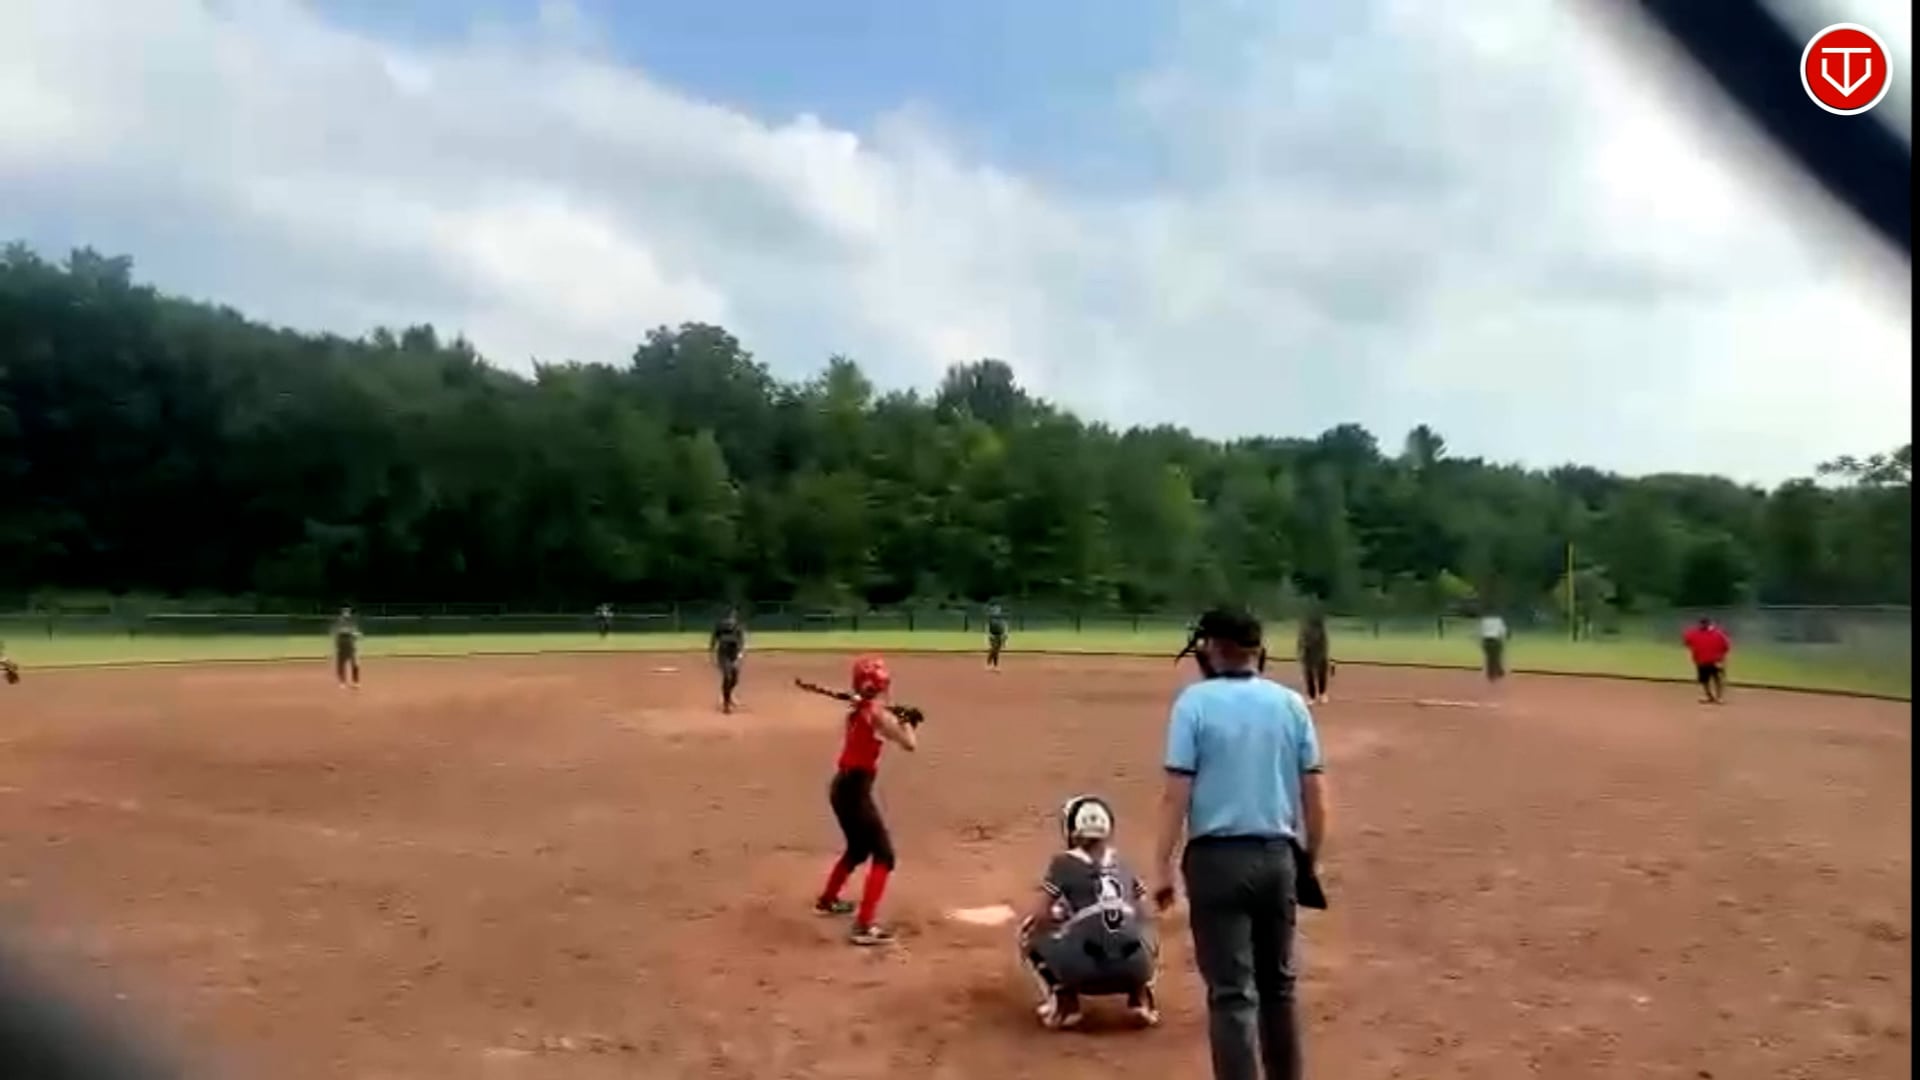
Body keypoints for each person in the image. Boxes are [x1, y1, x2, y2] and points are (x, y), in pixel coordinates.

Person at [1152, 606, 1327, 1080]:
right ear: (1257, 650)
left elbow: (1176, 795)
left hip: (1215, 861)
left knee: (1232, 995)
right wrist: (1307, 860)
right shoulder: (1291, 704)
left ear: (1212, 648)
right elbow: (1314, 794)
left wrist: (1161, 866)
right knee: (1279, 988)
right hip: (1277, 857)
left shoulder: (1194, 703)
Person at [1018, 795, 1161, 1031]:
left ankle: (1065, 1003)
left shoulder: (1063, 863)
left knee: (1028, 931)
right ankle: (1141, 996)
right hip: (1135, 967)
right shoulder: (1124, 862)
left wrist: (1064, 919)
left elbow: (1040, 915)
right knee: (1146, 928)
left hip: (1085, 972)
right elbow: (1145, 912)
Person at [814, 655, 917, 946]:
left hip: (842, 788)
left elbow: (876, 711)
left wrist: (891, 711)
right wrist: (909, 722)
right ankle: (863, 926)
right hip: (855, 791)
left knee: (859, 849)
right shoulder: (875, 714)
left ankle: (827, 900)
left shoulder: (861, 710)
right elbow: (910, 743)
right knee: (884, 855)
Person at [1682, 616, 1733, 704]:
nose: (1702, 625)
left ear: (1709, 624)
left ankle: (1719, 697)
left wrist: (1721, 658)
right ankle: (1709, 696)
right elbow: (1687, 642)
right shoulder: (1694, 633)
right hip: (1701, 661)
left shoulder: (1718, 633)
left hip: (1716, 660)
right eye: (1701, 624)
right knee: (1704, 680)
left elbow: (1726, 646)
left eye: (1704, 623)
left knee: (1718, 678)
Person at [708, 608, 747, 713]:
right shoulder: (720, 626)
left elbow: (741, 641)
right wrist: (711, 652)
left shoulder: (738, 627)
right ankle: (726, 704)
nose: (731, 620)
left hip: (733, 654)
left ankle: (728, 694)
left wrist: (740, 654)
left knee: (734, 679)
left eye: (733, 618)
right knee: (727, 676)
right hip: (723, 654)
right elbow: (714, 638)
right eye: (729, 618)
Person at [1296, 608, 1331, 705]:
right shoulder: (1305, 630)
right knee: (1310, 675)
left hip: (1319, 653)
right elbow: (1301, 642)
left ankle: (1321, 694)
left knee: (1320, 674)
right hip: (1309, 654)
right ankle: (1312, 696)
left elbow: (1324, 643)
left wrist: (1323, 654)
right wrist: (1301, 652)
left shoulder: (1320, 630)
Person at [331, 606, 361, 690]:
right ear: (342, 613)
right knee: (341, 664)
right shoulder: (339, 621)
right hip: (342, 645)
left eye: (348, 612)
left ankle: (355, 681)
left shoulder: (352, 622)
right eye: (345, 612)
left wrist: (356, 634)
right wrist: (351, 633)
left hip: (351, 645)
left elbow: (355, 632)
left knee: (355, 663)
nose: (346, 614)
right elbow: (338, 632)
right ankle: (342, 681)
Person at [1477, 608, 1509, 684]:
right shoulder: (1498, 620)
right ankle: (1499, 671)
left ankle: (1491, 674)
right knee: (1497, 655)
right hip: (1495, 640)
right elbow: (1502, 631)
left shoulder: (1484, 621)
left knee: (1489, 657)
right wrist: (1505, 637)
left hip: (1486, 641)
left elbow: (1481, 632)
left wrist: (1481, 642)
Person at [986, 603, 1010, 671]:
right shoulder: (991, 617)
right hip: (993, 635)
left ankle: (995, 666)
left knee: (997, 651)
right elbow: (988, 626)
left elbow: (1005, 625)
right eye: (996, 609)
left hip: (1000, 635)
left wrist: (1005, 634)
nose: (997, 610)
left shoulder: (1001, 618)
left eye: (998, 609)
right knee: (993, 649)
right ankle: (988, 664)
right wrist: (989, 634)